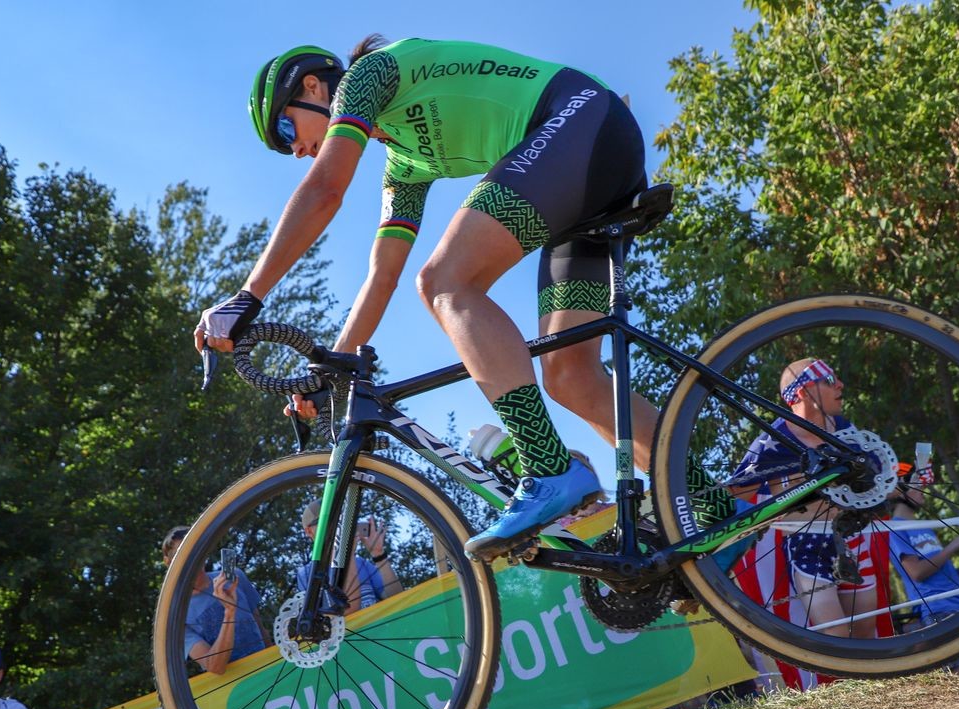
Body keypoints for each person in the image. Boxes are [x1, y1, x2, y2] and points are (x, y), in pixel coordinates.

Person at [196, 36, 733, 562]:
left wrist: (247, 298)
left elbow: (324, 190)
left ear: (313, 85)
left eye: (286, 127)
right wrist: (333, 366)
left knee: (443, 282)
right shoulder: (403, 164)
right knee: (572, 378)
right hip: (586, 164)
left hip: (579, 120)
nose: (295, 149)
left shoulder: (369, 76)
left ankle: (547, 468)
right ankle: (716, 512)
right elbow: (381, 276)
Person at [730, 358, 880, 638]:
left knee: (865, 631)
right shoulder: (772, 440)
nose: (840, 385)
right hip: (806, 543)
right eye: (829, 380)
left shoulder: (845, 427)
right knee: (834, 635)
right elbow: (735, 496)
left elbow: (880, 479)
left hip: (850, 536)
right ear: (803, 392)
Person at [886, 469, 959, 674]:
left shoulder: (922, 526)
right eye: (917, 488)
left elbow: (935, 575)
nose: (924, 491)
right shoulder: (896, 529)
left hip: (956, 603)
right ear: (902, 493)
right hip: (938, 609)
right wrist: (951, 548)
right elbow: (916, 573)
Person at [162, 526, 270, 675]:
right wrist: (229, 612)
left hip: (269, 671)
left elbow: (261, 628)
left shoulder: (234, 577)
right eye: (182, 554)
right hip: (237, 691)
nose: (191, 557)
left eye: (196, 548)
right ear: (169, 563)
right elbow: (214, 666)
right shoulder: (176, 617)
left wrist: (277, 660)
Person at [296, 499, 401, 613]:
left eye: (339, 520)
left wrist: (378, 555)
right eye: (327, 522)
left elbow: (398, 599)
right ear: (309, 532)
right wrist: (347, 553)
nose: (336, 526)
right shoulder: (307, 574)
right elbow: (345, 613)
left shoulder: (361, 563)